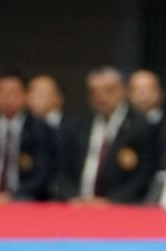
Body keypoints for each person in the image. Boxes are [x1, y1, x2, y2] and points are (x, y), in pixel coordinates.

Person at [58, 67, 156, 204]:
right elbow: (62, 170)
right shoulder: (78, 126)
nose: (101, 96)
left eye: (109, 90)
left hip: (119, 207)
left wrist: (112, 201)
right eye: (94, 92)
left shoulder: (140, 127)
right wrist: (72, 196)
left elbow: (143, 176)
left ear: (123, 90)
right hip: (78, 205)